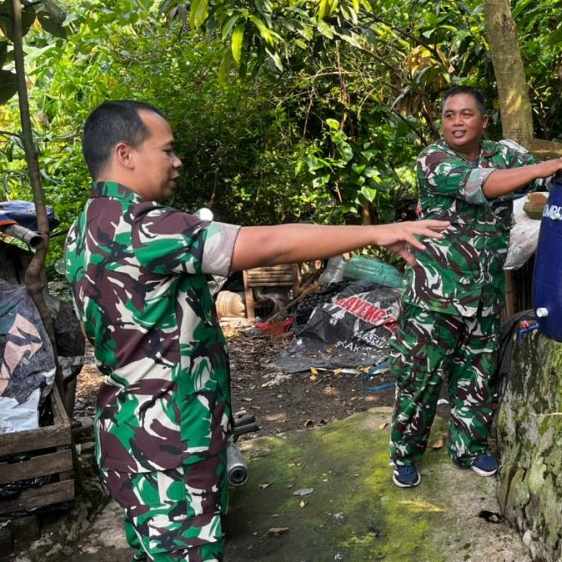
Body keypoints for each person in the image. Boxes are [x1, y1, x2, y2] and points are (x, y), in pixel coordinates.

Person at [64, 100, 448, 562]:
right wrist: (379, 231)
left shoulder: (87, 224)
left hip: (138, 432)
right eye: (167, 150)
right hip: (169, 441)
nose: (177, 161)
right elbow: (268, 244)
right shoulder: (141, 227)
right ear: (125, 154)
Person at [388, 86, 562, 488]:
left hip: (484, 294)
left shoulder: (504, 155)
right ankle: (404, 453)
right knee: (420, 380)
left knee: (476, 375)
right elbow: (483, 185)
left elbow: (540, 171)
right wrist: (547, 167)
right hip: (434, 298)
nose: (457, 121)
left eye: (466, 114)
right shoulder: (434, 160)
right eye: (450, 114)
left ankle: (468, 447)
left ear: (483, 120)